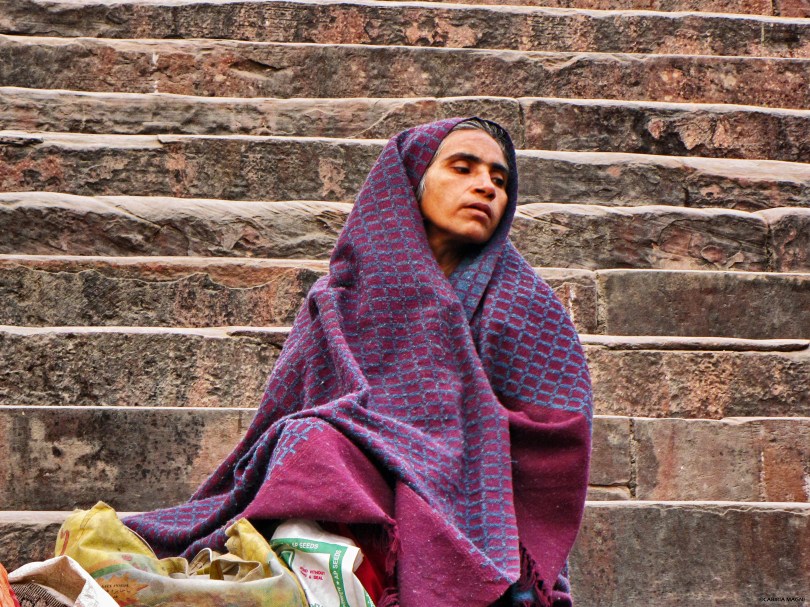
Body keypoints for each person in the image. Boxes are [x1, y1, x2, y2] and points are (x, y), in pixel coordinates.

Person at [124, 118, 593, 607]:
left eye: (500, 180)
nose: (485, 187)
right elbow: (288, 409)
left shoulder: (523, 304)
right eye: (462, 168)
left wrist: (441, 437)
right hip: (355, 476)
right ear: (413, 179)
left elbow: (555, 434)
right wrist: (381, 434)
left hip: (472, 495)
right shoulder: (340, 298)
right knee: (309, 441)